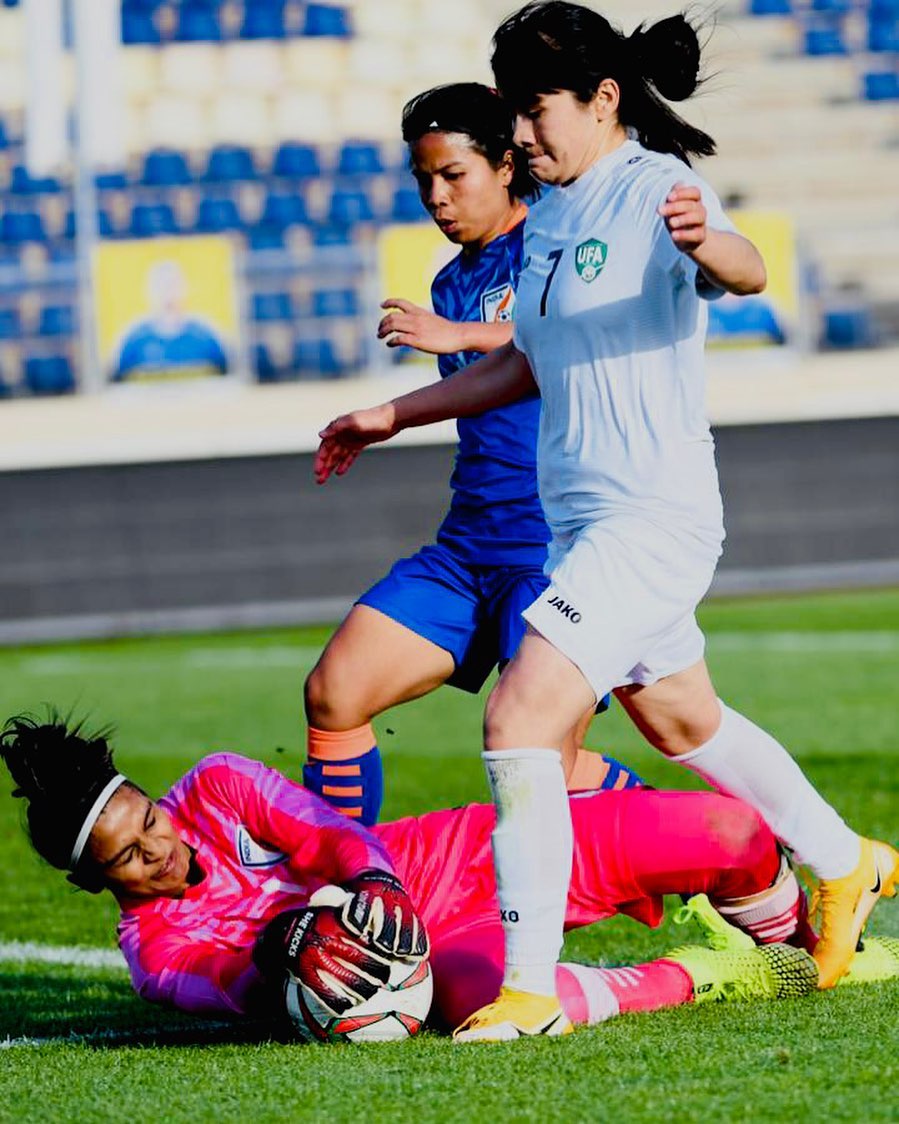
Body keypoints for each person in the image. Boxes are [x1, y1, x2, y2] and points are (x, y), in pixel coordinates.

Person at [314, 1, 898, 1038]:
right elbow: (525, 359)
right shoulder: (550, 215)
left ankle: (530, 988)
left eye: (534, 114)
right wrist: (389, 414)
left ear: (601, 99)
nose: (521, 138)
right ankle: (847, 860)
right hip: (584, 523)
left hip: (651, 519)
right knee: (681, 720)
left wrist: (711, 244)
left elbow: (745, 267)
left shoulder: (646, 192)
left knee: (517, 719)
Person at [13, 713, 897, 1040]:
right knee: (484, 1008)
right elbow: (227, 988)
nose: (157, 848)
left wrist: (377, 886)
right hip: (438, 957)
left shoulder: (215, 783)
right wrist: (283, 952)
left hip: (463, 854)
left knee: (729, 829)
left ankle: (801, 949)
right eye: (128, 856)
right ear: (93, 880)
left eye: (149, 823)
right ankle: (709, 974)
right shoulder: (153, 950)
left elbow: (329, 837)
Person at [303, 83, 639, 827]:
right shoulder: (452, 281)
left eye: (453, 175)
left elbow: (563, 340)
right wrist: (384, 417)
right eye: (423, 179)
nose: (435, 195)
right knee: (334, 694)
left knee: (535, 760)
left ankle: (716, 860)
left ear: (506, 166)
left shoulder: (558, 244)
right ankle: (356, 892)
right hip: (470, 544)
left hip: (556, 547)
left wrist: (458, 337)